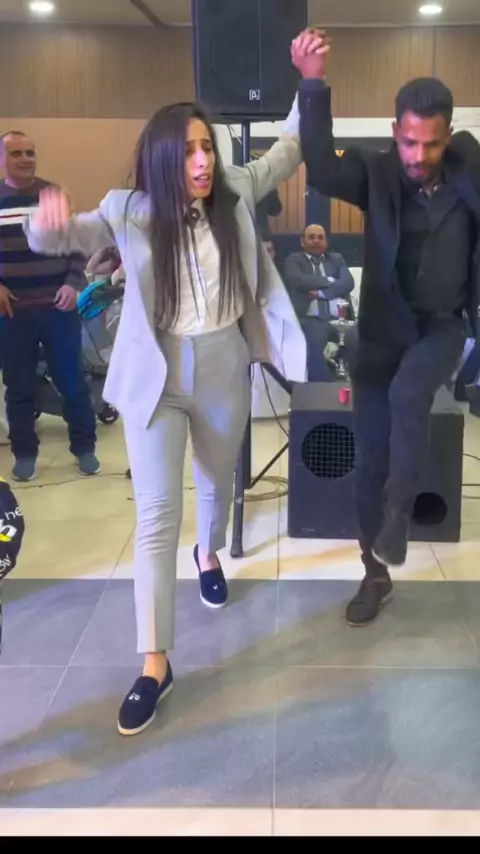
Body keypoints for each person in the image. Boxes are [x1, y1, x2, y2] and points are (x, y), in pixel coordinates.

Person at [23, 35, 319, 734]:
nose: (203, 161)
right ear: (162, 158)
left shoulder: (235, 189)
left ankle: (208, 551)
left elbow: (288, 150)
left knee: (217, 484)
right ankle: (155, 661)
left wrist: (309, 81)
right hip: (156, 374)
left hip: (222, 362)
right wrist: (43, 225)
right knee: (156, 514)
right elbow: (64, 237)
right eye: (188, 151)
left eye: (207, 148)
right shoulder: (126, 209)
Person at [291, 30, 480, 626]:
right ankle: (374, 571)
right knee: (370, 457)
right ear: (395, 131)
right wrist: (312, 83)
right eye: (408, 141)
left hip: (441, 327)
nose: (418, 154)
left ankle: (398, 519)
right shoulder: (375, 173)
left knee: (409, 394)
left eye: (430, 143)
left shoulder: (470, 170)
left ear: (447, 135)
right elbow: (321, 168)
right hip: (379, 334)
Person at [0, 131, 99, 481]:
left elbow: (77, 246)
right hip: (12, 313)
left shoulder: (52, 196)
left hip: (59, 309)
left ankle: (84, 448)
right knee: (19, 388)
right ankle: (25, 454)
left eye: (30, 152)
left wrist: (72, 284)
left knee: (73, 383)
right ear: (2, 159)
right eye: (16, 153)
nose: (25, 159)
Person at [284, 223, 356, 380]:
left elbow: (348, 282)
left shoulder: (336, 259)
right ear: (302, 242)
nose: (316, 241)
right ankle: (323, 387)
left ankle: (354, 383)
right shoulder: (293, 260)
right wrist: (330, 280)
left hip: (340, 320)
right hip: (312, 320)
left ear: (326, 242)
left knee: (361, 340)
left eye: (320, 237)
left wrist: (322, 294)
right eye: (311, 237)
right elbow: (298, 281)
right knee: (312, 349)